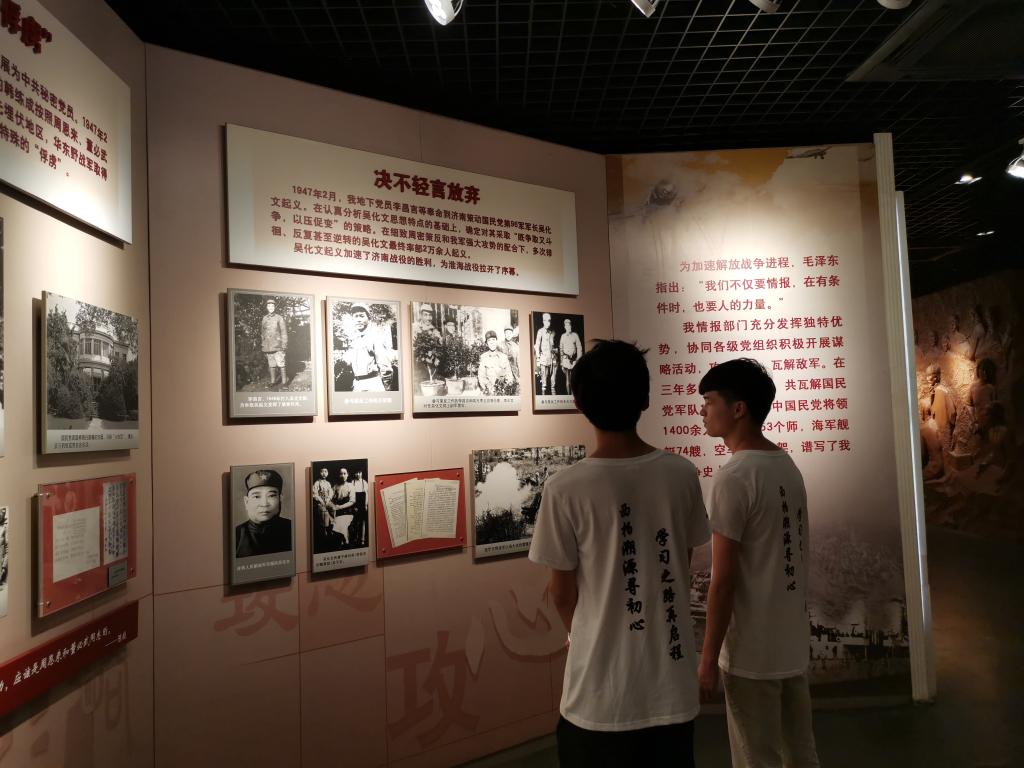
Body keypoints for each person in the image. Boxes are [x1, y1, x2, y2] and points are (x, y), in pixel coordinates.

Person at [529, 340, 710, 767]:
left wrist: (586, 630)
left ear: (578, 403)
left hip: (597, 696)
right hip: (671, 690)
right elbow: (680, 565)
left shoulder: (564, 488)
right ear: (645, 398)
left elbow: (561, 594)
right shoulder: (681, 474)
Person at [696, 358, 820, 768]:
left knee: (756, 759)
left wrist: (707, 658)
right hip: (789, 647)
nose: (702, 411)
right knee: (801, 754)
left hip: (750, 654)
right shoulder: (787, 465)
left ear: (738, 409)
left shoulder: (733, 477)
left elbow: (723, 582)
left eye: (709, 401)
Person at [235, 469, 292, 557]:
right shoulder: (236, 535)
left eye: (271, 496)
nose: (264, 504)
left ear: (280, 499)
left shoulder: (292, 528)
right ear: (246, 502)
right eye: (257, 496)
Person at [342, 303, 397, 392]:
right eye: (356, 316)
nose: (358, 320)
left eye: (362, 316)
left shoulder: (375, 337)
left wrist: (386, 388)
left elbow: (385, 367)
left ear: (369, 318)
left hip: (372, 384)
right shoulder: (354, 340)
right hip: (357, 385)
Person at [260, 299, 288, 389]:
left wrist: (284, 344)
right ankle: (273, 382)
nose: (271, 307)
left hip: (278, 345)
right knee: (271, 364)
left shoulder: (279, 318)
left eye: (272, 306)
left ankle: (284, 383)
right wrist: (263, 344)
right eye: (269, 306)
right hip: (268, 346)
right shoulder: (264, 318)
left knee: (281, 363)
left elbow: (284, 332)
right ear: (266, 307)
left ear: (275, 307)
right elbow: (262, 332)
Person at [477, 330, 516, 396]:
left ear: (496, 341)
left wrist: (504, 388)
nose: (492, 342)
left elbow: (509, 375)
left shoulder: (504, 357)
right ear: (486, 343)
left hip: (503, 392)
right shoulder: (483, 357)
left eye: (493, 339)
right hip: (489, 393)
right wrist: (489, 388)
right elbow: (481, 377)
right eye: (489, 340)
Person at [311, 466, 340, 552]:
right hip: (320, 502)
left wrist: (328, 499)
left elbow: (331, 492)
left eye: (325, 471)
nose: (324, 473)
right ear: (320, 473)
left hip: (327, 501)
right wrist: (321, 500)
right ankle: (325, 530)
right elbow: (314, 494)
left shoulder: (328, 483)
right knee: (324, 513)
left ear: (327, 473)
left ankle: (331, 527)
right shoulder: (317, 483)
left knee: (333, 508)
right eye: (322, 471)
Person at [559, 317, 583, 396]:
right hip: (566, 360)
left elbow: (579, 347)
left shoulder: (575, 335)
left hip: (574, 360)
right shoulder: (563, 336)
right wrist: (561, 362)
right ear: (564, 326)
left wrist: (578, 359)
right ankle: (568, 396)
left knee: (574, 380)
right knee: (568, 380)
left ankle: (574, 396)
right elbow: (561, 349)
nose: (568, 327)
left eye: (569, 325)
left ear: (571, 326)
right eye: (567, 325)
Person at [332, 467, 356, 546]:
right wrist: (334, 506)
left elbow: (352, 501)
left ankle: (346, 541)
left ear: (347, 475)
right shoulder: (335, 486)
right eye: (341, 474)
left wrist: (340, 507)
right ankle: (342, 541)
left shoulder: (351, 486)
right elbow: (330, 499)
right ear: (339, 475)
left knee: (342, 523)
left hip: (348, 512)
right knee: (335, 524)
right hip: (337, 512)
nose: (342, 475)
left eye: (344, 473)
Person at [534, 313, 557, 395]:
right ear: (543, 321)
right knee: (544, 384)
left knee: (553, 383)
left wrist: (555, 351)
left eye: (549, 321)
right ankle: (543, 397)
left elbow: (556, 346)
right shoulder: (540, 331)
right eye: (546, 320)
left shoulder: (553, 332)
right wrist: (538, 358)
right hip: (544, 359)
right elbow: (537, 345)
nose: (548, 322)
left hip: (553, 359)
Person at [351, 468, 370, 548]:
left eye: (359, 472)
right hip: (355, 505)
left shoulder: (364, 482)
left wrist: (366, 505)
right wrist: (354, 506)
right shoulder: (352, 482)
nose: (358, 474)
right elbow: (351, 495)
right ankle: (355, 538)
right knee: (355, 523)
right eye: (356, 473)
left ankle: (362, 539)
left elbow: (367, 495)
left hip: (363, 505)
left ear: (361, 473)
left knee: (363, 523)